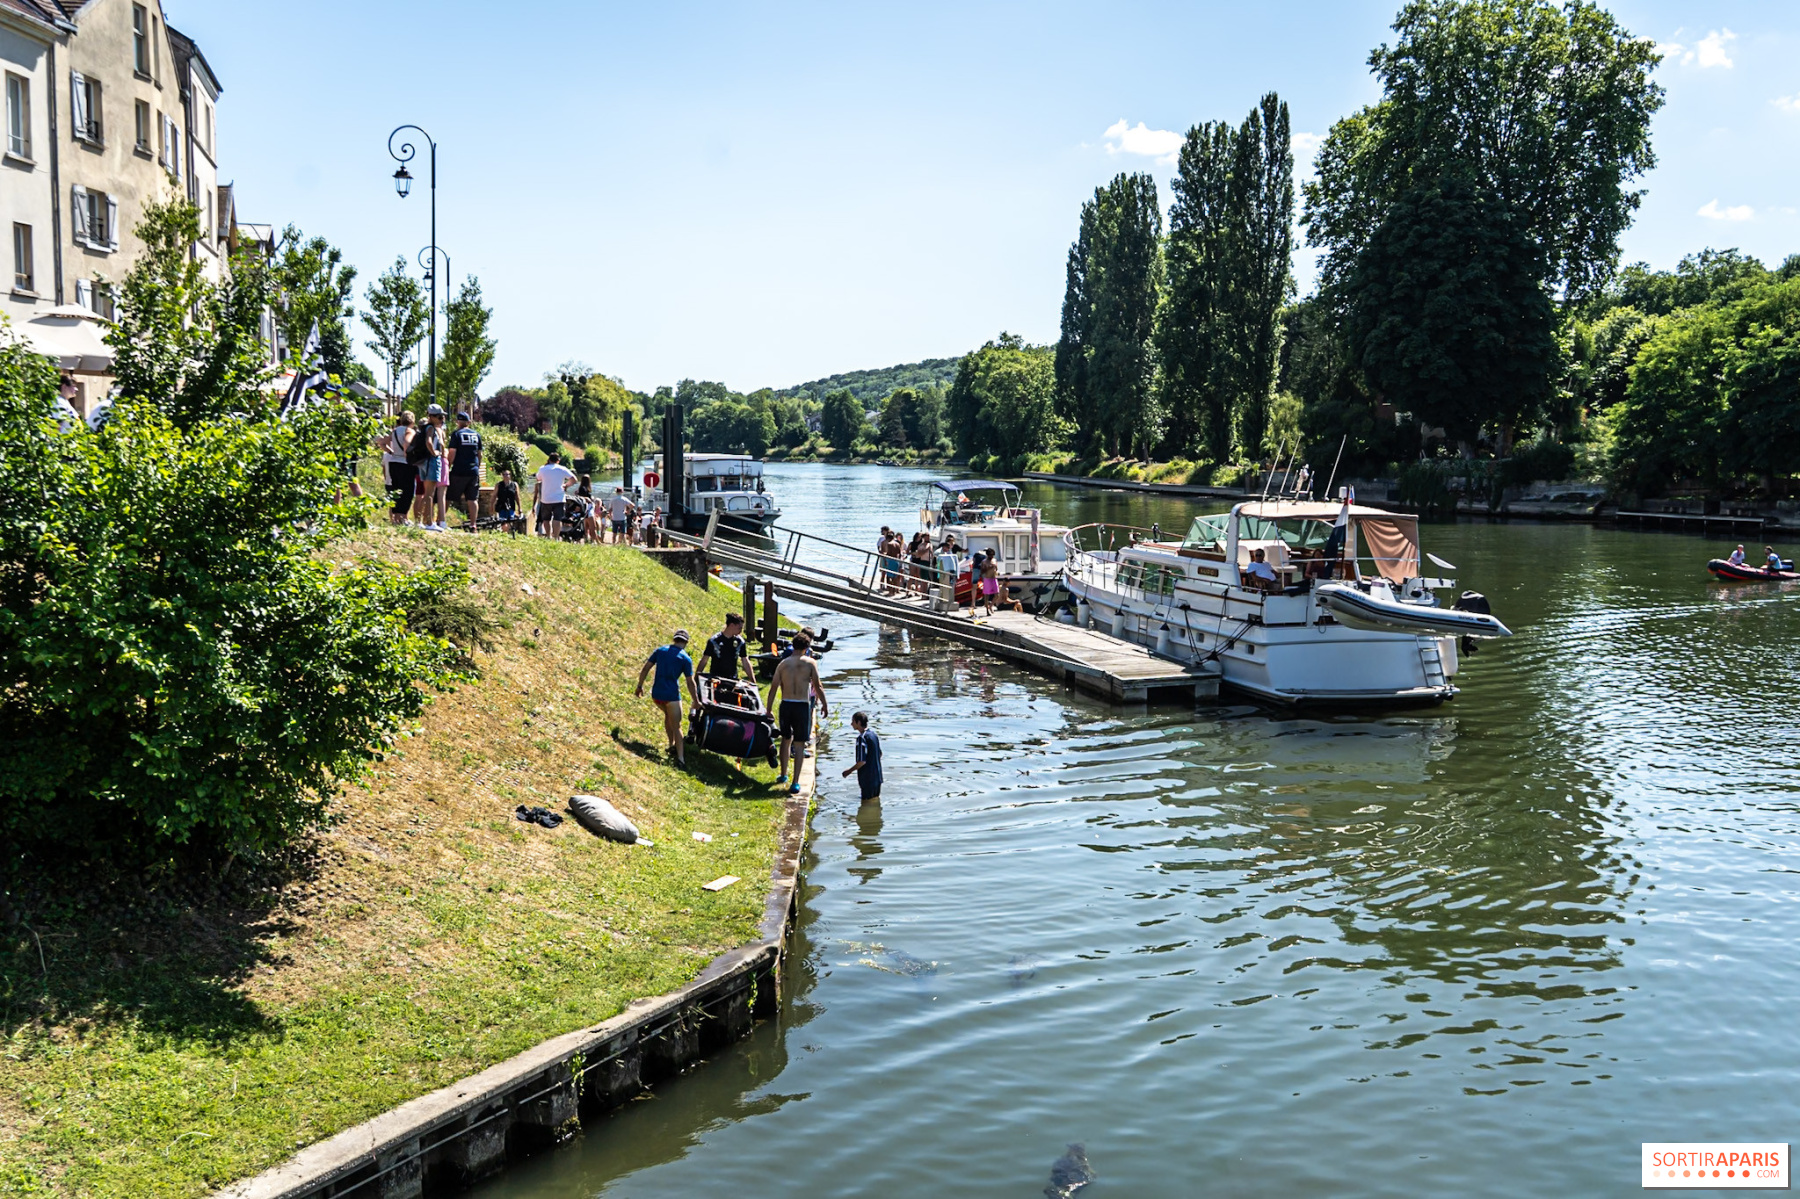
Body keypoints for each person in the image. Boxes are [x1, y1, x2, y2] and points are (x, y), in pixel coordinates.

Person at [766, 632, 827, 794]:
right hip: (802, 706)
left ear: (793, 646)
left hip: (786, 704)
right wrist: (824, 704)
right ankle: (795, 782)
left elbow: (773, 688)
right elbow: (817, 685)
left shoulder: (783, 664)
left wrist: (768, 709)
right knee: (799, 744)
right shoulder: (810, 663)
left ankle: (783, 774)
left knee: (786, 739)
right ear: (807, 648)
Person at [635, 629, 698, 766]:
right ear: (686, 642)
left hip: (657, 695)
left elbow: (646, 668)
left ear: (674, 639)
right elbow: (690, 682)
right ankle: (680, 759)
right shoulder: (685, 658)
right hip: (671, 696)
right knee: (677, 726)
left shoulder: (660, 650)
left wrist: (639, 686)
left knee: (668, 716)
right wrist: (696, 700)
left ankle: (671, 745)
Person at [409, 404, 448, 529]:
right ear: (431, 417)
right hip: (432, 461)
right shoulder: (431, 428)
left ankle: (423, 521)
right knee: (430, 494)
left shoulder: (425, 427)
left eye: (442, 417)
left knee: (426, 494)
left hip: (424, 462)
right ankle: (429, 523)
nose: (441, 419)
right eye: (439, 417)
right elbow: (429, 442)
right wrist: (434, 452)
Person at [445, 411, 484, 529]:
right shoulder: (476, 435)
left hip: (459, 471)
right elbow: (480, 454)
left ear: (458, 422)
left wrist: (448, 466)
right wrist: (477, 467)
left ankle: (440, 520)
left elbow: (452, 453)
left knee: (449, 496)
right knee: (472, 499)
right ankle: (473, 524)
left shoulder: (456, 434)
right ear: (468, 422)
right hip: (473, 471)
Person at [699, 613, 756, 683]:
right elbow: (704, 660)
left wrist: (753, 681)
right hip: (715, 679)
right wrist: (696, 678)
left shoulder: (740, 642)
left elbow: (745, 661)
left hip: (732, 680)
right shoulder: (714, 641)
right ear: (731, 625)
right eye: (739, 628)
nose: (741, 631)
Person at [840, 711, 883, 804]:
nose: (851, 724)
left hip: (867, 779)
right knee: (874, 802)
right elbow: (880, 754)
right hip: (877, 777)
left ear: (858, 722)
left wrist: (849, 771)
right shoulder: (873, 735)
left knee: (866, 803)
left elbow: (861, 761)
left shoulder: (861, 738)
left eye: (853, 721)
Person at [382, 412, 416, 527]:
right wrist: (408, 455)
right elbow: (407, 443)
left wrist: (391, 452)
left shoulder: (394, 431)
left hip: (393, 462)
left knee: (396, 490)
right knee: (407, 491)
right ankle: (402, 518)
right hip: (405, 464)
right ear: (412, 421)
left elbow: (382, 443)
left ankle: (396, 518)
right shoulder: (409, 431)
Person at [533, 452, 577, 539]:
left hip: (546, 498)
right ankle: (556, 537)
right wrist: (566, 485)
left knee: (546, 519)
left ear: (549, 459)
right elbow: (574, 479)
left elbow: (538, 478)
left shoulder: (543, 469)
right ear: (558, 461)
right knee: (557, 519)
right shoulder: (562, 469)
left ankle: (548, 536)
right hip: (559, 498)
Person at [978, 548, 1000, 615]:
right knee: (986, 595)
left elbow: (996, 568)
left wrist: (996, 570)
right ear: (987, 555)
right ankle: (987, 610)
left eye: (993, 555)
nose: (992, 556)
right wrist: (988, 568)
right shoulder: (984, 562)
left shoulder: (994, 560)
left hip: (994, 578)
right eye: (990, 555)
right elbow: (981, 572)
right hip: (987, 579)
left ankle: (991, 606)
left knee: (997, 594)